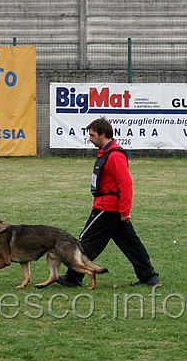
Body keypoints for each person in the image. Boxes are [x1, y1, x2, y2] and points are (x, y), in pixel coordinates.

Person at [58, 117, 161, 288]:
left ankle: (73, 277)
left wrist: (125, 211)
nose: (90, 139)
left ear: (103, 134)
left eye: (92, 135)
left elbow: (126, 184)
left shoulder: (114, 156)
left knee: (86, 241)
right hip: (110, 207)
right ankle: (149, 276)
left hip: (107, 208)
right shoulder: (107, 153)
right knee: (131, 245)